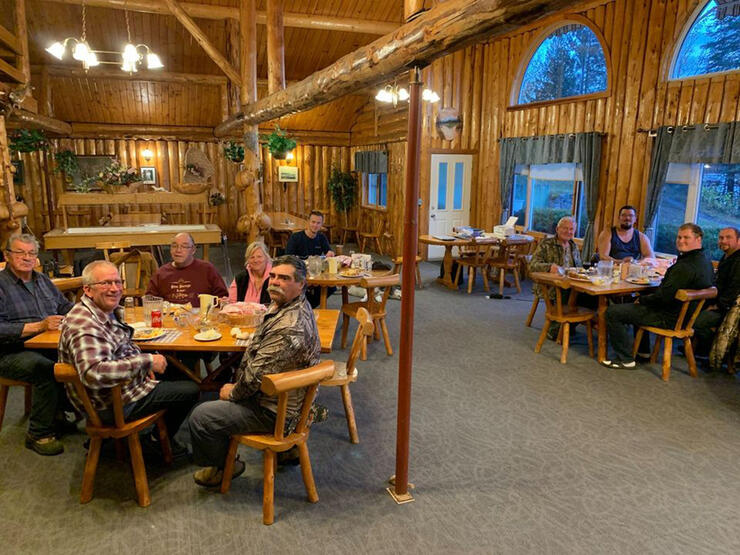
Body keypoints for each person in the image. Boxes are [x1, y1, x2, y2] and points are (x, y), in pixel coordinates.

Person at [188, 255, 320, 487]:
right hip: (286, 398)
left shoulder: (288, 328)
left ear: (300, 284)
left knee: (202, 416)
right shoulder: (294, 304)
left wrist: (232, 392)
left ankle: (222, 468)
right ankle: (287, 453)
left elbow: (252, 382)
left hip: (275, 411)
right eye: (274, 276)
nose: (275, 282)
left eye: (284, 278)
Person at [59, 261, 199, 450]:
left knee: (178, 369)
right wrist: (145, 361)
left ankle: (132, 440)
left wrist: (143, 364)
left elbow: (118, 348)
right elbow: (94, 373)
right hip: (109, 404)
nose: (115, 288)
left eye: (118, 282)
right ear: (88, 290)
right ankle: (155, 443)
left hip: (119, 388)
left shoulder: (103, 310)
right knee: (191, 389)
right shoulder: (84, 324)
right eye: (106, 283)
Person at [603, 223, 714, 369]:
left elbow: (663, 298)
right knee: (637, 305)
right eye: (679, 237)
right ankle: (643, 352)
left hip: (669, 317)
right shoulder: (705, 261)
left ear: (698, 239)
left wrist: (641, 299)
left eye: (686, 237)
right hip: (686, 316)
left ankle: (625, 359)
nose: (681, 241)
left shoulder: (684, 267)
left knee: (612, 312)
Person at [0, 234, 73, 456]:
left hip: (47, 346)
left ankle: (58, 413)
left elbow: (63, 305)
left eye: (32, 253)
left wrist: (82, 313)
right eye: (20, 252)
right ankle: (38, 433)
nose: (27, 257)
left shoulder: (42, 280)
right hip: (10, 352)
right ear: (7, 255)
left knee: (77, 358)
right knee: (44, 369)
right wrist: (39, 326)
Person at [528, 216, 583, 339]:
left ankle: (569, 324)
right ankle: (556, 329)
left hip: (572, 284)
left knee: (590, 298)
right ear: (557, 229)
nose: (568, 232)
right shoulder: (547, 244)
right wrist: (549, 267)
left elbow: (579, 267)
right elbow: (532, 265)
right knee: (567, 293)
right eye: (565, 228)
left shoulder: (573, 246)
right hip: (551, 285)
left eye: (571, 229)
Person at [145, 232, 227, 307]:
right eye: (174, 246)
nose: (178, 250)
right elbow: (150, 300)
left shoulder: (207, 269)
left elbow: (222, 298)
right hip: (169, 319)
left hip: (200, 319)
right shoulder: (161, 273)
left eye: (184, 246)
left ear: (193, 250)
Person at [693, 227, 740, 356]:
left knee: (696, 320)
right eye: (721, 238)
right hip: (718, 302)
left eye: (728, 237)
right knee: (689, 309)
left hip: (729, 310)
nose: (723, 241)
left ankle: (714, 352)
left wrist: (716, 306)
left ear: (739, 240)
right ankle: (697, 348)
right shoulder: (726, 257)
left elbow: (734, 290)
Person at [286, 210, 335, 308]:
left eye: (318, 223)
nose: (315, 225)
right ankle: (304, 306)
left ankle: (310, 306)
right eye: (313, 222)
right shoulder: (295, 238)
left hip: (315, 272)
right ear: (308, 221)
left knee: (332, 287)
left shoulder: (321, 238)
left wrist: (331, 253)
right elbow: (288, 258)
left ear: (321, 225)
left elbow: (329, 252)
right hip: (299, 272)